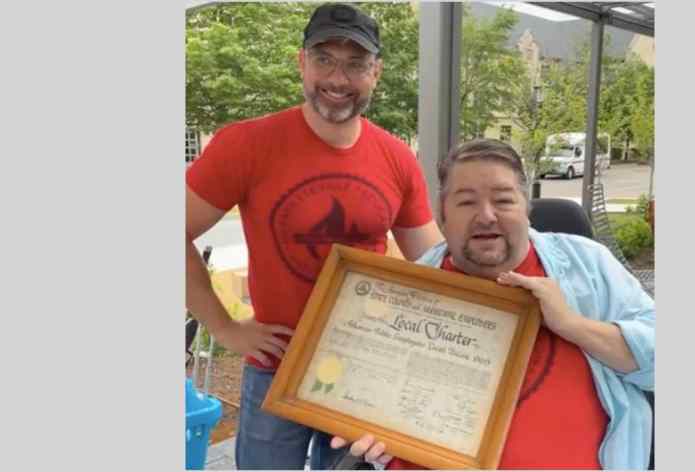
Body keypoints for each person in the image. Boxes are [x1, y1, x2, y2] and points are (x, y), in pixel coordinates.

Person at [185, 3, 443, 469]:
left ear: (376, 72)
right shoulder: (246, 144)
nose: (338, 79)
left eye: (356, 63)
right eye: (324, 59)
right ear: (301, 62)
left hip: (363, 370)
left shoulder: (398, 159)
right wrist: (224, 328)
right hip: (275, 366)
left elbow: (435, 265)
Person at [334, 138, 654, 469]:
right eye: (467, 202)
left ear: (526, 209)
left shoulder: (587, 266)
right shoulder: (406, 293)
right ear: (442, 216)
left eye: (503, 200)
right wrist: (368, 426)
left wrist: (572, 325)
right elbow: (377, 401)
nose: (486, 216)